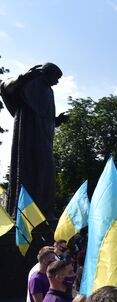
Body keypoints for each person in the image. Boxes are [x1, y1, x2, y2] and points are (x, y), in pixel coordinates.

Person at [1, 62, 66, 220]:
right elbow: (4, 86)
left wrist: (57, 120)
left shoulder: (48, 91)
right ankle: (27, 213)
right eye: (55, 78)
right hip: (29, 135)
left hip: (44, 137)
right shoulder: (30, 82)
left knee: (47, 171)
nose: (57, 82)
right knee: (31, 169)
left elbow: (45, 116)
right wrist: (25, 76)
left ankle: (44, 210)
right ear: (46, 73)